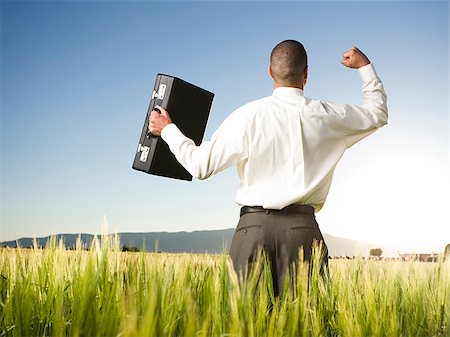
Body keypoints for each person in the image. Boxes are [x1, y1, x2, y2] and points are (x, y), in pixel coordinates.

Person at [149, 40, 388, 297]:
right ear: (306, 73)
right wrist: (364, 66)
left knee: (246, 325)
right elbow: (378, 113)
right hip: (303, 232)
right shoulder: (330, 116)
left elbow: (200, 166)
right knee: (306, 325)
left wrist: (168, 130)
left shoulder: (247, 116)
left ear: (270, 72)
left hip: (252, 231)